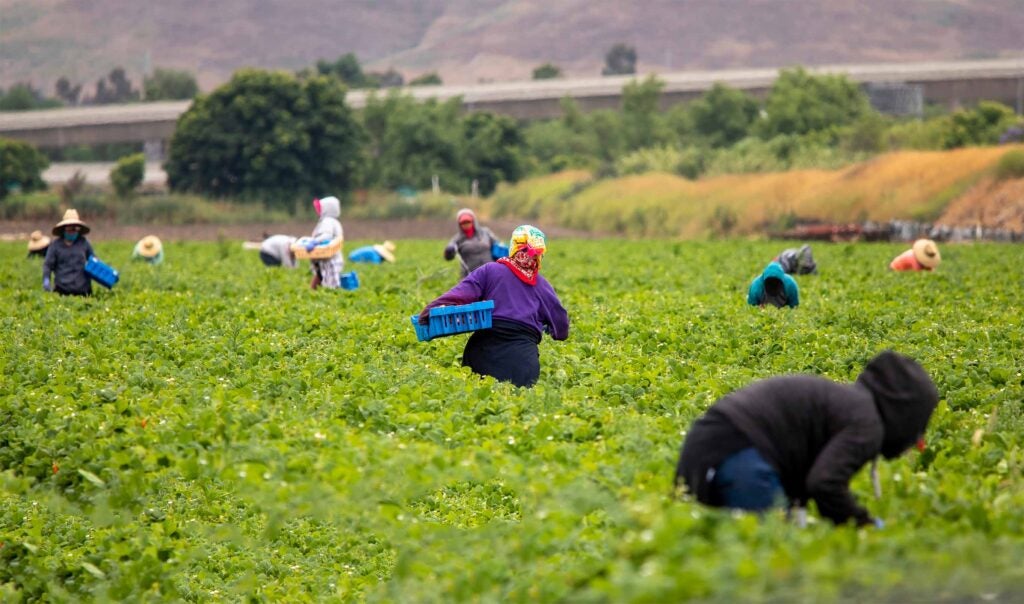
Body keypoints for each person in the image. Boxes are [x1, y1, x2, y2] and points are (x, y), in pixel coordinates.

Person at [675, 350, 938, 527]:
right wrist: (864, 525)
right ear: (905, 415)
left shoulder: (849, 403)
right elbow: (824, 484)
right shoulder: (866, 422)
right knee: (767, 557)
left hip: (708, 445)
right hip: (739, 453)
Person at [419, 225, 569, 388]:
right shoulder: (542, 285)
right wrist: (550, 329)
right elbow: (561, 327)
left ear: (513, 247)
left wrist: (429, 310)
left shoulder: (490, 270)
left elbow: (459, 294)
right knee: (517, 405)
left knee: (478, 400)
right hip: (523, 362)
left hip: (483, 353)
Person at [42, 209, 96, 296]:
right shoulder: (55, 245)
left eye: (75, 228)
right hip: (62, 290)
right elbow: (48, 265)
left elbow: (94, 260)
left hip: (83, 290)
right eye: (70, 228)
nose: (72, 230)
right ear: (64, 228)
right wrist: (46, 279)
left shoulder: (84, 243)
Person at [444, 208, 500, 277]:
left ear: (473, 221)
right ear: (459, 224)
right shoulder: (457, 239)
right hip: (470, 275)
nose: (466, 224)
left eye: (468, 222)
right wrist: (449, 251)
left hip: (490, 273)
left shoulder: (485, 233)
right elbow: (448, 257)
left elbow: (497, 245)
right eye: (463, 223)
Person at [307, 196, 344, 289]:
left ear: (327, 209)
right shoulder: (335, 221)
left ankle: (333, 297)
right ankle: (312, 293)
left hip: (327, 258)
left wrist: (314, 242)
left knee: (330, 283)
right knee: (320, 276)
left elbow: (326, 235)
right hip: (331, 256)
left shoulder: (327, 221)